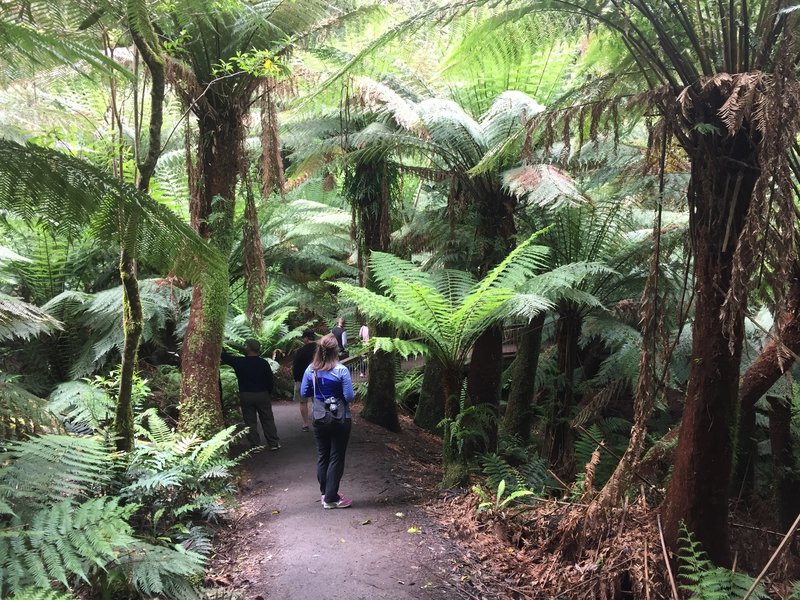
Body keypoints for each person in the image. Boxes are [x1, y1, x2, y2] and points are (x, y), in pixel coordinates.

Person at [300, 334, 354, 509]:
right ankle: (332, 498)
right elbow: (349, 396)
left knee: (323, 455)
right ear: (335, 350)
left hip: (319, 417)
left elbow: (304, 392)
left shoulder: (311, 370)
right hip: (340, 418)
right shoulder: (341, 370)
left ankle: (325, 494)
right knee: (336, 456)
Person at [221, 339, 280, 450]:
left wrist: (220, 345)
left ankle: (255, 446)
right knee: (267, 419)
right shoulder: (263, 363)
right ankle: (273, 443)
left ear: (248, 348)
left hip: (246, 394)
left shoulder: (240, 362)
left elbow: (226, 357)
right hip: (262, 394)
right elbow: (270, 380)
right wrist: (268, 392)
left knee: (250, 421)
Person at [292, 329, 317, 431]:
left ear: (306, 338)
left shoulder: (300, 351)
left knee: (303, 402)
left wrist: (296, 378)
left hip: (302, 379)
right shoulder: (320, 349)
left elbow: (296, 366)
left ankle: (306, 424)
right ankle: (318, 421)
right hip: (318, 379)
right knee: (317, 401)